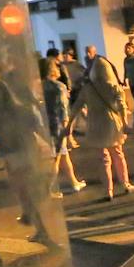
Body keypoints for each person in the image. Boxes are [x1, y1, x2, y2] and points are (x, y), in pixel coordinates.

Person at [0, 78, 52, 243]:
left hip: (13, 157)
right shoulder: (21, 110)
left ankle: (41, 230)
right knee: (30, 190)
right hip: (31, 152)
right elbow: (37, 128)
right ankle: (31, 218)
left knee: (25, 195)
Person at [68, 55, 131, 201]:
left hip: (95, 123)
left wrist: (69, 124)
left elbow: (77, 106)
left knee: (103, 158)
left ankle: (108, 190)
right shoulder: (114, 86)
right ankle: (125, 183)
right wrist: (125, 123)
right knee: (118, 154)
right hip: (113, 123)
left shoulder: (87, 88)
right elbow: (122, 106)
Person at [40, 57, 83, 196]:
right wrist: (68, 131)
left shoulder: (39, 86)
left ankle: (74, 182)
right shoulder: (59, 87)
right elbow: (63, 110)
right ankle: (48, 189)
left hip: (45, 125)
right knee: (56, 158)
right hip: (58, 125)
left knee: (63, 155)